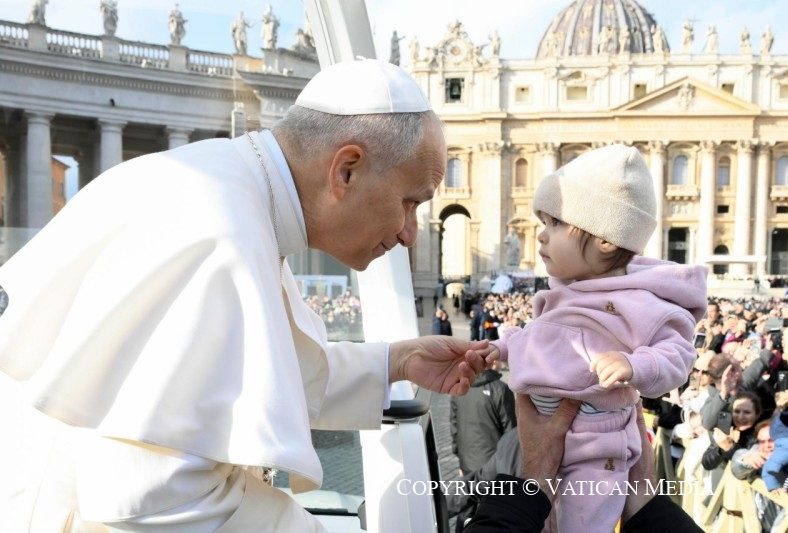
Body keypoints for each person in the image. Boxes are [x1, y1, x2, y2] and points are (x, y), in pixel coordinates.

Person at [0, 60, 492, 531]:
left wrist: (394, 362)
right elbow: (151, 497)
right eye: (410, 203)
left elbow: (251, 373)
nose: (409, 233)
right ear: (346, 169)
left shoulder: (232, 193)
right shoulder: (218, 232)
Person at [475, 145, 707, 531]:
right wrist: (500, 348)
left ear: (604, 239)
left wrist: (635, 365)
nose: (541, 236)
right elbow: (540, 340)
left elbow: (678, 354)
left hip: (596, 456)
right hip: (546, 442)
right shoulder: (567, 291)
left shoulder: (639, 301)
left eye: (555, 224)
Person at [464, 398, 703, 532]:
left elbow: (480, 481)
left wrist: (533, 485)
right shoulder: (513, 441)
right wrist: (646, 505)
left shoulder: (514, 440)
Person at [450, 365, 516, 477]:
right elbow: (511, 433)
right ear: (493, 362)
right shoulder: (501, 389)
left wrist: (461, 460)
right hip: (495, 468)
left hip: (468, 464)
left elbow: (455, 427)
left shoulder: (459, 388)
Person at [701, 392, 761, 471]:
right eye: (737, 411)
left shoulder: (761, 432)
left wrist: (730, 447)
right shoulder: (726, 424)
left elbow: (745, 465)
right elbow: (706, 462)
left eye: (747, 412)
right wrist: (721, 449)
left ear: (757, 414)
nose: (740, 417)